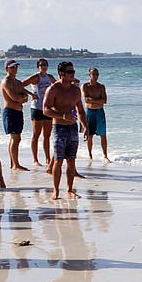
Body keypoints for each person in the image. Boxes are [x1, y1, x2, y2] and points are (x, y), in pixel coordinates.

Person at [42, 61, 88, 200]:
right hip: (59, 127)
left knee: (71, 160)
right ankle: (55, 190)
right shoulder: (53, 89)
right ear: (61, 74)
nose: (72, 74)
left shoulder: (75, 90)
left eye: (73, 71)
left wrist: (85, 126)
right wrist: (62, 116)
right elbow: (45, 110)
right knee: (58, 160)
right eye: (69, 72)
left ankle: (69, 189)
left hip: (72, 128)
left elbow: (80, 110)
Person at [0, 59, 34, 171]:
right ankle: (16, 164)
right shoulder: (6, 82)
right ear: (6, 69)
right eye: (12, 67)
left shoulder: (18, 82)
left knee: (15, 138)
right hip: (10, 112)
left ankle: (13, 163)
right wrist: (22, 99)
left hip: (19, 112)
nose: (14, 69)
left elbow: (23, 94)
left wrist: (25, 97)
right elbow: (15, 97)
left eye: (16, 67)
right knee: (16, 138)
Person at [22, 58, 56, 168]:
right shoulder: (35, 77)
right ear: (38, 67)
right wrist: (31, 94)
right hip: (36, 108)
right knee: (36, 135)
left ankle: (47, 158)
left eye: (45, 65)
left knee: (47, 135)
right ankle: (35, 159)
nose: (43, 67)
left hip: (47, 108)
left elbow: (57, 87)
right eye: (41, 65)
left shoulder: (49, 77)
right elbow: (20, 85)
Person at [82, 67, 111, 163]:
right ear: (89, 75)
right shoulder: (85, 86)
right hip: (90, 111)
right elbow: (86, 99)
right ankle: (90, 155)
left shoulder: (101, 86)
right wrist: (98, 101)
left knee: (103, 134)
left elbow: (104, 100)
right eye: (93, 74)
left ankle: (105, 155)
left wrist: (93, 100)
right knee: (90, 135)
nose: (95, 76)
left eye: (97, 74)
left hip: (99, 111)